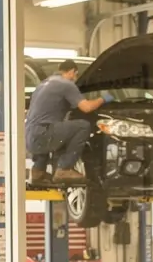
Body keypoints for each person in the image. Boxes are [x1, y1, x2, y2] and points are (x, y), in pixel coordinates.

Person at [25, 59, 111, 188]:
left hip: (30, 136)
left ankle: (38, 172)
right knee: (82, 126)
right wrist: (104, 99)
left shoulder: (44, 84)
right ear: (72, 72)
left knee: (54, 126)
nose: (75, 79)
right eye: (76, 75)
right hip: (44, 133)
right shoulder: (66, 84)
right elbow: (87, 108)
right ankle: (64, 168)